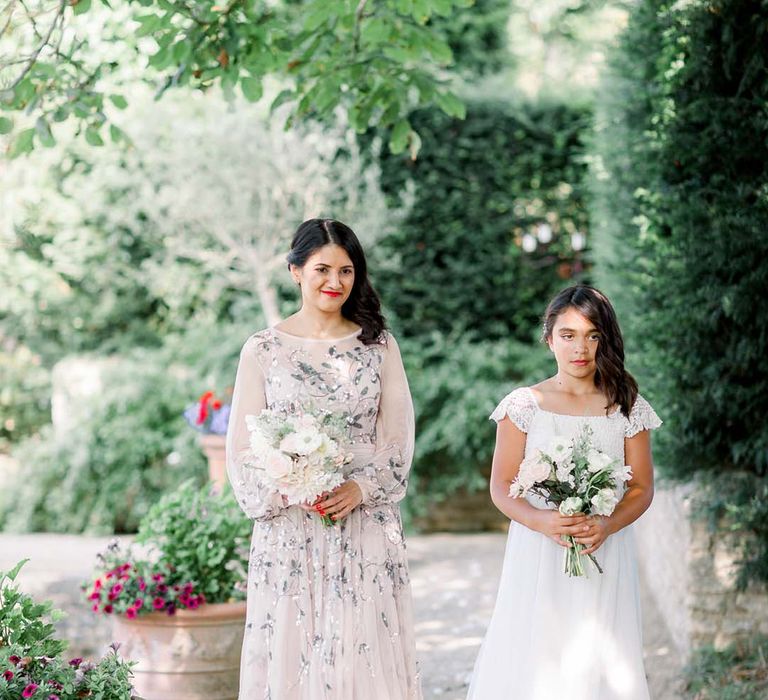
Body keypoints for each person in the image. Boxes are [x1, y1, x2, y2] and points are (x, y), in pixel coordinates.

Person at [226, 218, 422, 700]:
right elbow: (243, 446)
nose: (335, 282)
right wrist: (290, 486)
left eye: (347, 271)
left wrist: (362, 489)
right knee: (293, 647)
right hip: (289, 527)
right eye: (322, 269)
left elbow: (398, 435)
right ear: (295, 270)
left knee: (363, 644)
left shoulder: (377, 345)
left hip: (363, 522)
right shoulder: (263, 349)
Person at [467, 284, 661, 700]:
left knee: (601, 650)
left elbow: (642, 487)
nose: (581, 348)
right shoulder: (524, 405)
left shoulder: (627, 405)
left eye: (593, 336)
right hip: (539, 549)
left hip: (604, 546)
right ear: (549, 338)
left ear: (606, 340)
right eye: (569, 335)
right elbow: (501, 487)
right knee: (536, 651)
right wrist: (542, 520)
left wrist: (607, 525)